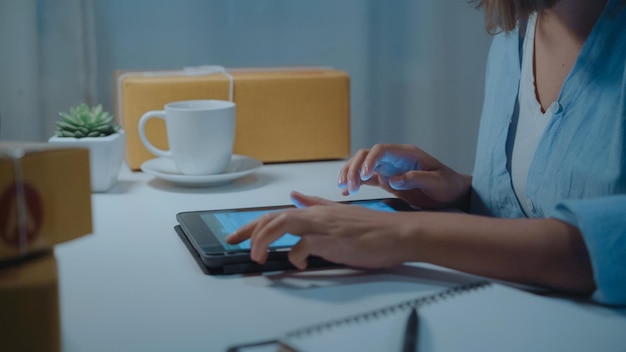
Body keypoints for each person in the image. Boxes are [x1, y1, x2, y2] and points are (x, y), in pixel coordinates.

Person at [227, 0, 626, 305]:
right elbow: (540, 208)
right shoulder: (516, 30)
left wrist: (397, 233)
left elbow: (604, 246)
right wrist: (464, 192)